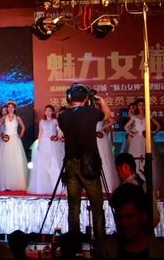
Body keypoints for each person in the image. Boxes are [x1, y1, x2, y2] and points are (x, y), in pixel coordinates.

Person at [58, 84, 110, 247]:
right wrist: (101, 102)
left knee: (73, 206)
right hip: (89, 164)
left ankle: (74, 245)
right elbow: (107, 115)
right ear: (86, 98)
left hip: (70, 164)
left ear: (69, 98)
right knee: (96, 204)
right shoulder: (92, 112)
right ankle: (100, 243)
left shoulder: (62, 117)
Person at [100, 183, 164, 259]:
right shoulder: (107, 251)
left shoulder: (161, 251)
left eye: (129, 217)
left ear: (143, 216)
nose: (124, 223)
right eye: (119, 217)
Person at [115, 152, 160, 228]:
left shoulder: (126, 189)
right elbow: (156, 218)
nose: (118, 174)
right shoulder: (146, 185)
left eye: (118, 170)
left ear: (125, 167)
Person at [28, 105, 65, 194]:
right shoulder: (41, 122)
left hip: (53, 144)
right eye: (46, 111)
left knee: (54, 163)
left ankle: (58, 187)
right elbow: (40, 133)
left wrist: (58, 137)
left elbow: (61, 131)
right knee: (42, 165)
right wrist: (39, 144)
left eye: (49, 110)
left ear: (53, 112)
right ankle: (42, 187)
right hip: (44, 144)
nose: (48, 112)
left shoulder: (55, 121)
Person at [0, 100, 28, 191]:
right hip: (6, 140)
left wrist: (20, 135)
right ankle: (6, 183)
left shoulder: (17, 117)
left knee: (16, 161)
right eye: (8, 107)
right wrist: (2, 134)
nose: (10, 108)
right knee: (6, 161)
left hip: (15, 140)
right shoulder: (4, 117)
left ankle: (16, 183)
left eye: (12, 107)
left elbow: (23, 127)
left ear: (14, 108)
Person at [95, 107, 119, 193]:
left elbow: (114, 121)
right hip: (91, 136)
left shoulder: (102, 114)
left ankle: (107, 184)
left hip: (100, 136)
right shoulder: (89, 113)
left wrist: (104, 126)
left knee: (104, 158)